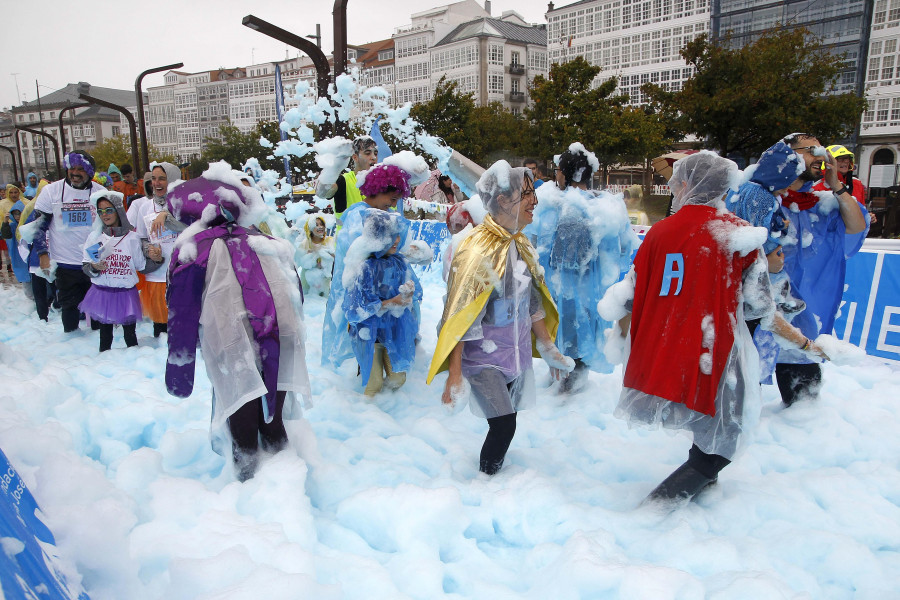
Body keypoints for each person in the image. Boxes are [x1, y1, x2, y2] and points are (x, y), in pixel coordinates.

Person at [601, 152, 827, 503]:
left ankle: (700, 494)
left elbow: (628, 296)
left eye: (676, 182)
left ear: (689, 184)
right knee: (723, 441)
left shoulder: (660, 232)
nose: (673, 188)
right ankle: (658, 508)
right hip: (715, 352)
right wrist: (805, 344)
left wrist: (624, 341)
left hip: (667, 350)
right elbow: (762, 311)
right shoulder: (737, 236)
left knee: (710, 432)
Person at [428, 160, 574, 475]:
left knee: (508, 417)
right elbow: (461, 315)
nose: (534, 201)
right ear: (503, 201)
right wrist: (455, 373)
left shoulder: (519, 245)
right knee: (504, 425)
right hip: (484, 357)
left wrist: (548, 347)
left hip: (514, 352)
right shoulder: (478, 251)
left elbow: (532, 300)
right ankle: (487, 480)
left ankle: (493, 473)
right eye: (526, 194)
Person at [165, 175, 312, 482]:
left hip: (231, 338)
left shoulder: (194, 247)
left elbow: (182, 307)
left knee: (242, 418)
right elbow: (297, 293)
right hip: (281, 334)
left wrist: (180, 368)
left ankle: (249, 490)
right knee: (273, 421)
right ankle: (289, 485)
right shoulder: (268, 241)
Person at [528, 143, 637, 392]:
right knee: (577, 343)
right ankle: (568, 386)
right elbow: (623, 249)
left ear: (566, 174)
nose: (555, 175)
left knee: (569, 342)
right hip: (591, 293)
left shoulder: (562, 207)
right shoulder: (606, 207)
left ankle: (567, 394)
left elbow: (538, 248)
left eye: (558, 170)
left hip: (566, 291)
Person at [775, 134, 869, 406]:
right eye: (811, 150)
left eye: (821, 150)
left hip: (800, 323)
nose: (820, 155)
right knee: (743, 408)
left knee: (803, 411)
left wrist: (836, 186)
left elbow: (856, 227)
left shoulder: (823, 202)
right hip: (757, 315)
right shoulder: (763, 199)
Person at [321, 163, 415, 369]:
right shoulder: (359, 216)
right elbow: (365, 250)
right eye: (391, 200)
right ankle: (362, 366)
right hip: (362, 284)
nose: (392, 205)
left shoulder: (373, 213)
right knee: (360, 326)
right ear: (377, 190)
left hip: (377, 285)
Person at [343, 210, 422, 397]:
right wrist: (390, 302)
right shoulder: (365, 267)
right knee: (374, 385)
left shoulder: (400, 262)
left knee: (397, 379)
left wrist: (408, 294)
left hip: (393, 329)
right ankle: (366, 415)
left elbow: (416, 292)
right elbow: (356, 309)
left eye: (397, 235)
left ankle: (389, 407)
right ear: (377, 237)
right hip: (369, 332)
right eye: (390, 236)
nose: (396, 240)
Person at [30, 151, 106, 332]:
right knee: (69, 307)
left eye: (81, 169)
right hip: (65, 263)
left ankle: (102, 354)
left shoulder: (100, 192)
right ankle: (72, 340)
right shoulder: (51, 191)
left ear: (89, 172)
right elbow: (38, 227)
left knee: (96, 308)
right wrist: (42, 254)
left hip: (94, 261)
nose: (75, 172)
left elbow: (110, 226)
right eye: (72, 168)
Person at [79, 191, 162, 352]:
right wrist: (94, 267)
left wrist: (158, 260)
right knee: (105, 334)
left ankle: (133, 364)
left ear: (118, 210)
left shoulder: (132, 238)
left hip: (125, 294)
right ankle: (104, 361)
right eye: (101, 211)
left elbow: (141, 266)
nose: (105, 215)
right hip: (102, 293)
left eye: (109, 210)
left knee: (130, 334)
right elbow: (86, 265)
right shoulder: (95, 237)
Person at [126, 162, 184, 337]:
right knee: (161, 326)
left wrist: (167, 216)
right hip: (158, 273)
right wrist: (149, 250)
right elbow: (141, 237)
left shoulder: (184, 203)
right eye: (154, 179)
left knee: (183, 321)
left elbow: (192, 228)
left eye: (162, 179)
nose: (157, 183)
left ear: (173, 180)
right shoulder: (144, 206)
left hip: (182, 269)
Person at [315, 136, 379, 221]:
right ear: (355, 157)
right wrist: (334, 168)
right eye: (367, 153)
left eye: (375, 153)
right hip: (347, 234)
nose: (374, 157)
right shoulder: (343, 181)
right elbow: (321, 193)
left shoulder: (381, 183)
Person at [296, 213, 335, 296]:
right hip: (307, 283)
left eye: (322, 224)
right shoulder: (305, 243)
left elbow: (338, 258)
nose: (320, 227)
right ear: (310, 228)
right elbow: (297, 262)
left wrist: (330, 255)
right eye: (316, 225)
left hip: (324, 281)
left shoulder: (330, 241)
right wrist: (308, 255)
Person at [2, 197, 31, 296]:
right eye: (15, 214)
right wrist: (5, 222)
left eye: (19, 213)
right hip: (19, 257)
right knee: (26, 281)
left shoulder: (29, 224)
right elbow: (6, 235)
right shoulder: (12, 226)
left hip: (31, 256)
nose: (18, 216)